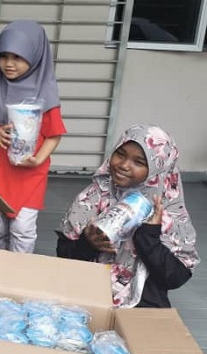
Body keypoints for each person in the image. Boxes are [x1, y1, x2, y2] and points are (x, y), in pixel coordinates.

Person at [56, 124, 199, 311]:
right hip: (88, 293)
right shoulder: (94, 197)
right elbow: (63, 258)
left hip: (141, 303)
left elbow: (174, 277)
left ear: (158, 168)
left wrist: (148, 237)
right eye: (120, 154)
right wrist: (86, 244)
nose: (123, 165)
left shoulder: (169, 211)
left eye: (139, 162)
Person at [0, 20, 66, 253]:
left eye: (18, 57)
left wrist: (39, 159)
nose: (9, 64)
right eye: (3, 56)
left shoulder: (45, 91)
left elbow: (54, 134)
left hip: (30, 174)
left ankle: (17, 278)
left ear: (35, 56)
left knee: (23, 229)